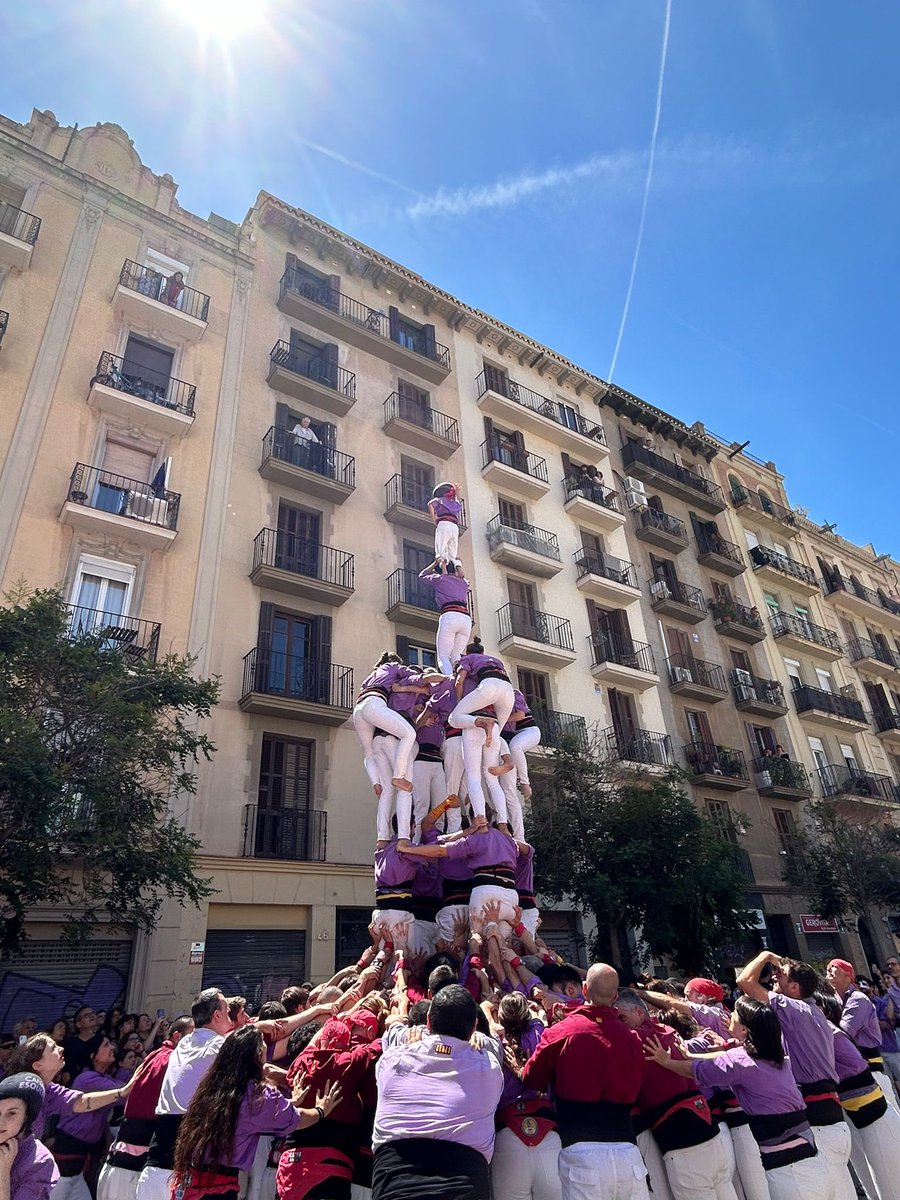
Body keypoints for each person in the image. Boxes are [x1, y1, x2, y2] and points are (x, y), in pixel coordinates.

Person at [644, 996, 833, 1200]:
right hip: (814, 1162)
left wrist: (666, 1061)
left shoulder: (743, 1063)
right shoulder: (776, 1056)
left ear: (744, 1030)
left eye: (734, 1013)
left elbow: (699, 1071)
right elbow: (729, 1057)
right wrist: (697, 1055)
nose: (729, 1015)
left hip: (790, 1173)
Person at [519, 963, 649, 1200]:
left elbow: (531, 1079)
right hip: (627, 1149)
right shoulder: (632, 1038)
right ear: (616, 995)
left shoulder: (560, 1032)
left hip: (581, 1150)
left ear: (585, 990)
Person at [172, 1024, 340, 1200]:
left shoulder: (211, 1088)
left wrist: (291, 1101)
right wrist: (321, 1110)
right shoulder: (258, 1095)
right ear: (258, 1054)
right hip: (218, 1188)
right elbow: (298, 1119)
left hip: (189, 1183)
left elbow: (246, 1114)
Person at [737, 951, 854, 1200]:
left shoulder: (795, 1009)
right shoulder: (810, 1011)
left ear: (794, 986)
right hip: (830, 1115)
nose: (775, 976)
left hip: (819, 1119)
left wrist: (766, 955)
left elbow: (745, 982)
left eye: (781, 974)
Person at [371, 984, 503, 1200]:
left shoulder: (392, 1060)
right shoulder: (488, 1068)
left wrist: (410, 1035)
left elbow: (391, 1032)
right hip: (464, 1184)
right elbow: (495, 1044)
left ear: (429, 1021)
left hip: (395, 1185)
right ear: (474, 1028)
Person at [614, 990, 737, 1200]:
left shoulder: (636, 1038)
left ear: (638, 1012)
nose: (619, 1023)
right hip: (709, 1134)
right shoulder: (668, 1030)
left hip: (684, 1145)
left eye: (621, 1018)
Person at [135, 988, 233, 1200]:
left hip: (154, 1168)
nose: (230, 1014)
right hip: (183, 1176)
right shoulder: (220, 1047)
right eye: (227, 1009)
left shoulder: (184, 1044)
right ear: (217, 1015)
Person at [277, 1012, 382, 1200]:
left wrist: (333, 1020)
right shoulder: (347, 1062)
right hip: (329, 1166)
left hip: (290, 1165)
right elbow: (377, 1046)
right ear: (346, 1044)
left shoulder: (301, 1062)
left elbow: (311, 1045)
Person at [97, 1015, 194, 1200]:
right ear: (176, 1037)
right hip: (129, 1172)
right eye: (193, 1036)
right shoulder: (169, 1061)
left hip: (129, 1168)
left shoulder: (157, 1055)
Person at [815, 991, 900, 1200]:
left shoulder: (834, 1032)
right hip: (851, 1110)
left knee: (891, 1186)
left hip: (874, 1103)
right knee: (870, 1179)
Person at [487, 991, 562, 1200]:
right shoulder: (539, 1033)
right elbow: (537, 1018)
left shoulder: (496, 1042)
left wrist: (488, 1008)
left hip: (507, 1134)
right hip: (548, 1133)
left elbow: (490, 1024)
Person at [53, 1035, 122, 1198]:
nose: (112, 1047)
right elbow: (124, 1094)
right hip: (68, 1153)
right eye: (105, 1045)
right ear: (93, 1056)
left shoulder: (104, 1079)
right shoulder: (88, 1079)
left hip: (79, 1163)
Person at [825, 957, 896, 1111]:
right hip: (855, 1072)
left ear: (847, 975)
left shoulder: (858, 999)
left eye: (834, 966)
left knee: (888, 1117)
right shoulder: (835, 1001)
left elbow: (844, 1032)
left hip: (871, 1068)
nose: (828, 969)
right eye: (828, 967)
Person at [353, 653, 420, 803]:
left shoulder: (370, 676)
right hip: (375, 703)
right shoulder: (393, 666)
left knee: (368, 752)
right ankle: (398, 776)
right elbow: (415, 675)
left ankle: (375, 783)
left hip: (358, 709)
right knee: (409, 734)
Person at [0, 1072, 58, 1200]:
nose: (1, 1122)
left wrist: (3, 1173)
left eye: (12, 1114)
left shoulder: (40, 1161)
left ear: (26, 1117)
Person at [417, 560, 471, 676]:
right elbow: (463, 578)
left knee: (443, 657)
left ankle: (450, 679)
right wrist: (457, 565)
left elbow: (422, 575)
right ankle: (459, 679)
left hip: (449, 615)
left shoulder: (440, 579)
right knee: (457, 656)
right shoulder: (463, 582)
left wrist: (435, 563)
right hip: (466, 619)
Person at [501, 691, 541, 803]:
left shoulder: (514, 693)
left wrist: (500, 720)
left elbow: (520, 715)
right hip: (517, 734)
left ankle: (525, 782)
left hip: (530, 730)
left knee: (515, 746)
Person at [427, 482, 463, 566]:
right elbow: (459, 502)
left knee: (441, 546)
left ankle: (441, 562)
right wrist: (457, 492)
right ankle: (452, 563)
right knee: (453, 547)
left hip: (444, 523)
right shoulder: (453, 502)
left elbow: (430, 504)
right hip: (454, 526)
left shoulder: (440, 500)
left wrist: (434, 519)